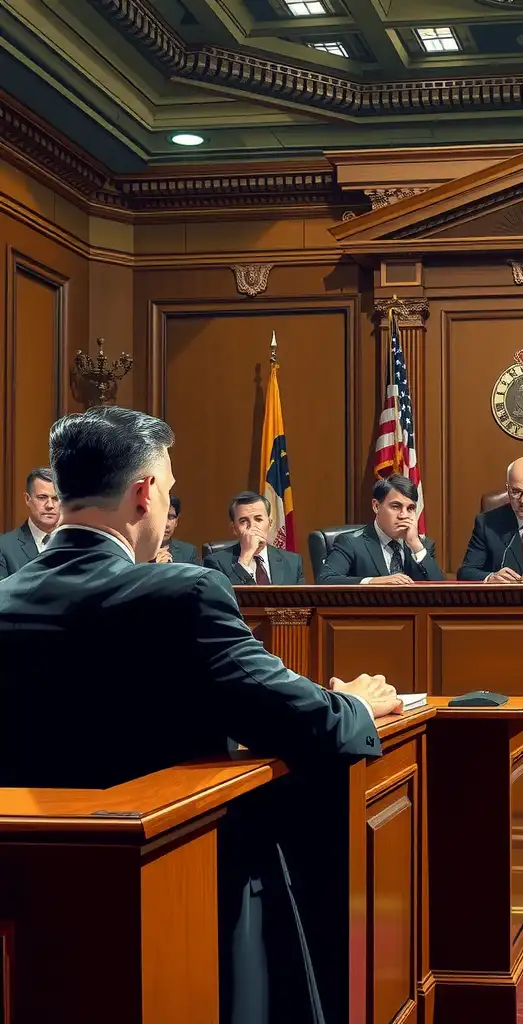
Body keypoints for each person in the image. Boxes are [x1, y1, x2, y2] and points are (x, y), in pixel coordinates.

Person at [0, 406, 400, 1023]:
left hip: (28, 900)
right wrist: (358, 705)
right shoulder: (183, 593)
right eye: (168, 484)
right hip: (180, 887)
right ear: (144, 492)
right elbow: (299, 720)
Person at [317, 474, 444, 585]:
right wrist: (373, 581)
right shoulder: (351, 543)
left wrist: (416, 545)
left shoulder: (423, 546)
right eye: (396, 506)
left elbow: (442, 591)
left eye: (410, 508)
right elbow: (325, 579)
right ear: (377, 506)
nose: (404, 515)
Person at [205, 490, 305, 585]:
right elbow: (226, 599)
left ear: (269, 524)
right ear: (234, 529)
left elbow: (301, 601)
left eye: (258, 519)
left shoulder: (293, 562)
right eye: (243, 521)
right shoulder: (216, 563)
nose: (252, 526)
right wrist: (245, 559)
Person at [0, 467, 61, 579]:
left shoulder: (80, 545)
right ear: (27, 499)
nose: (50, 505)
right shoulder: (4, 548)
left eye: (56, 498)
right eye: (42, 497)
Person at [151, 495, 201, 565]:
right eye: (161, 516)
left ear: (176, 521)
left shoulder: (189, 552)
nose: (166, 524)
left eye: (171, 517)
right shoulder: (134, 553)